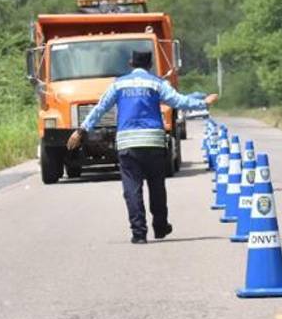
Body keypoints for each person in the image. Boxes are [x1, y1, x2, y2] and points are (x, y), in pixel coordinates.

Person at [67, 50, 217, 244]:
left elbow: (100, 108)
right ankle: (161, 226)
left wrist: (81, 130)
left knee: (132, 188)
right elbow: (178, 101)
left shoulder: (119, 84)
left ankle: (139, 233)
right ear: (150, 64)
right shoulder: (157, 83)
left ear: (131, 63)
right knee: (156, 185)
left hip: (128, 143)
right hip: (153, 142)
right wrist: (203, 103)